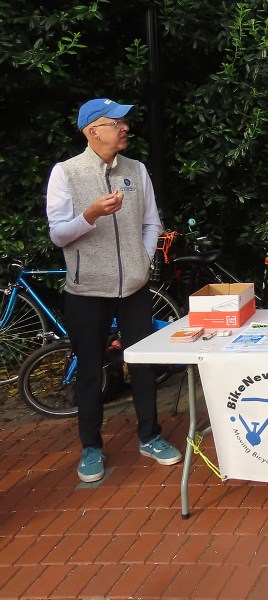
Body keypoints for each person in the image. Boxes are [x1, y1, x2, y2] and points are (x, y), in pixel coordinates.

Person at [46, 98, 182, 483]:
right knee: (90, 371)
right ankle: (91, 447)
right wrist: (90, 216)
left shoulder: (136, 171)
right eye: (116, 122)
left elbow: (152, 223)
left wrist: (142, 258)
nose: (125, 127)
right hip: (86, 290)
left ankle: (150, 436)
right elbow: (58, 234)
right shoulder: (66, 173)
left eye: (124, 121)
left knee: (142, 365)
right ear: (93, 130)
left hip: (134, 288)